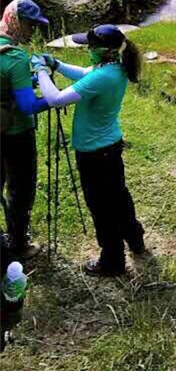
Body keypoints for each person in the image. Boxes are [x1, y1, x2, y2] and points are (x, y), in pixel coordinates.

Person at [34, 25, 145, 276]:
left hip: (95, 154)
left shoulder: (103, 77)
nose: (87, 50)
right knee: (118, 198)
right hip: (109, 147)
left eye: (89, 47)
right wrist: (57, 64)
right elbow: (85, 74)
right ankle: (135, 239)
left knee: (101, 207)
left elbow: (56, 99)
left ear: (101, 51)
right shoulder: (114, 68)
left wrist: (41, 70)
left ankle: (112, 261)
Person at [0, 0, 50, 260]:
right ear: (16, 21)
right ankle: (18, 244)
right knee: (21, 188)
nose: (32, 31)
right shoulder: (16, 57)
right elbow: (28, 105)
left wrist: (28, 79)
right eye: (30, 25)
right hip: (16, 133)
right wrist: (53, 99)